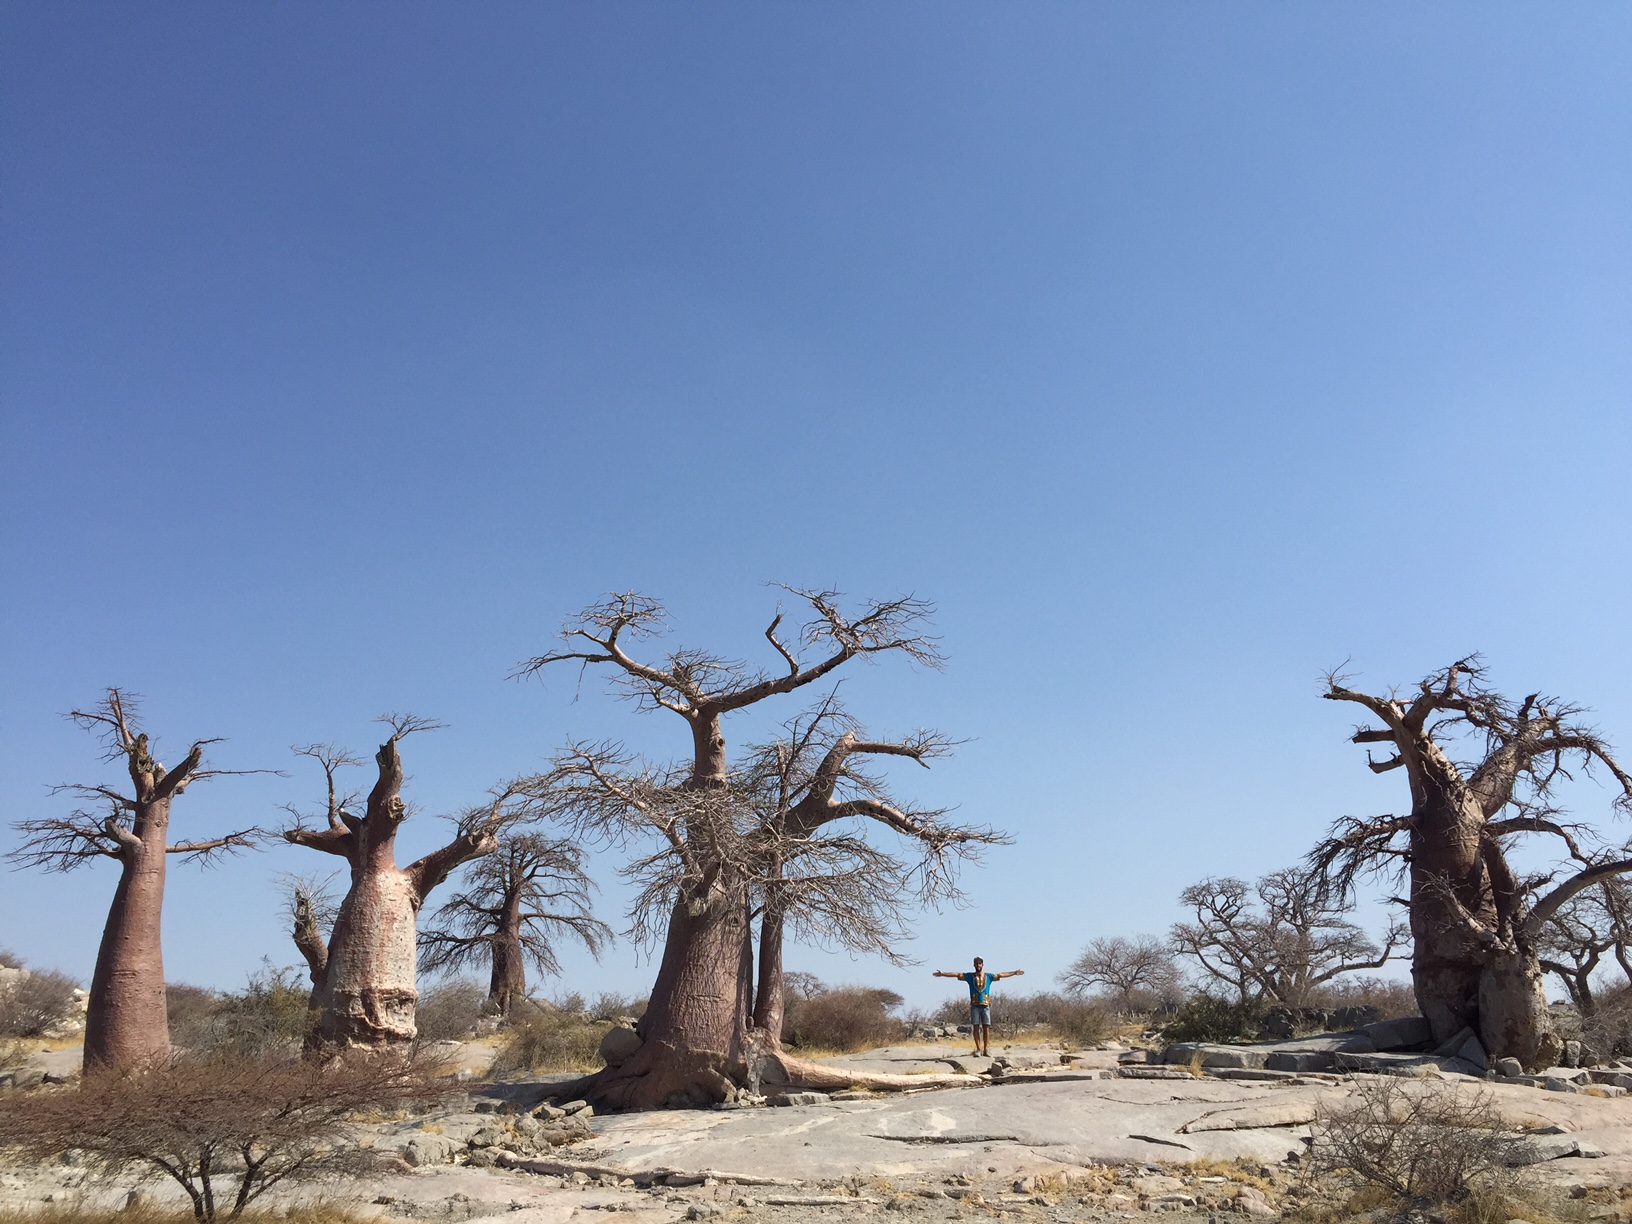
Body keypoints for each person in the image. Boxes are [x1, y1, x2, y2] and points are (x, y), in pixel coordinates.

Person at [933, 957, 1024, 1056]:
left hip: (985, 1005)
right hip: (975, 1006)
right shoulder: (969, 976)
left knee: (986, 1028)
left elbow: (1001, 975)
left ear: (982, 965)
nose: (978, 965)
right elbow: (956, 974)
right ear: (974, 965)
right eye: (976, 963)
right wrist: (942, 974)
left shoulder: (988, 976)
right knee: (975, 1027)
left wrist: (1014, 973)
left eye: (979, 963)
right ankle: (978, 1049)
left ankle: (986, 1049)